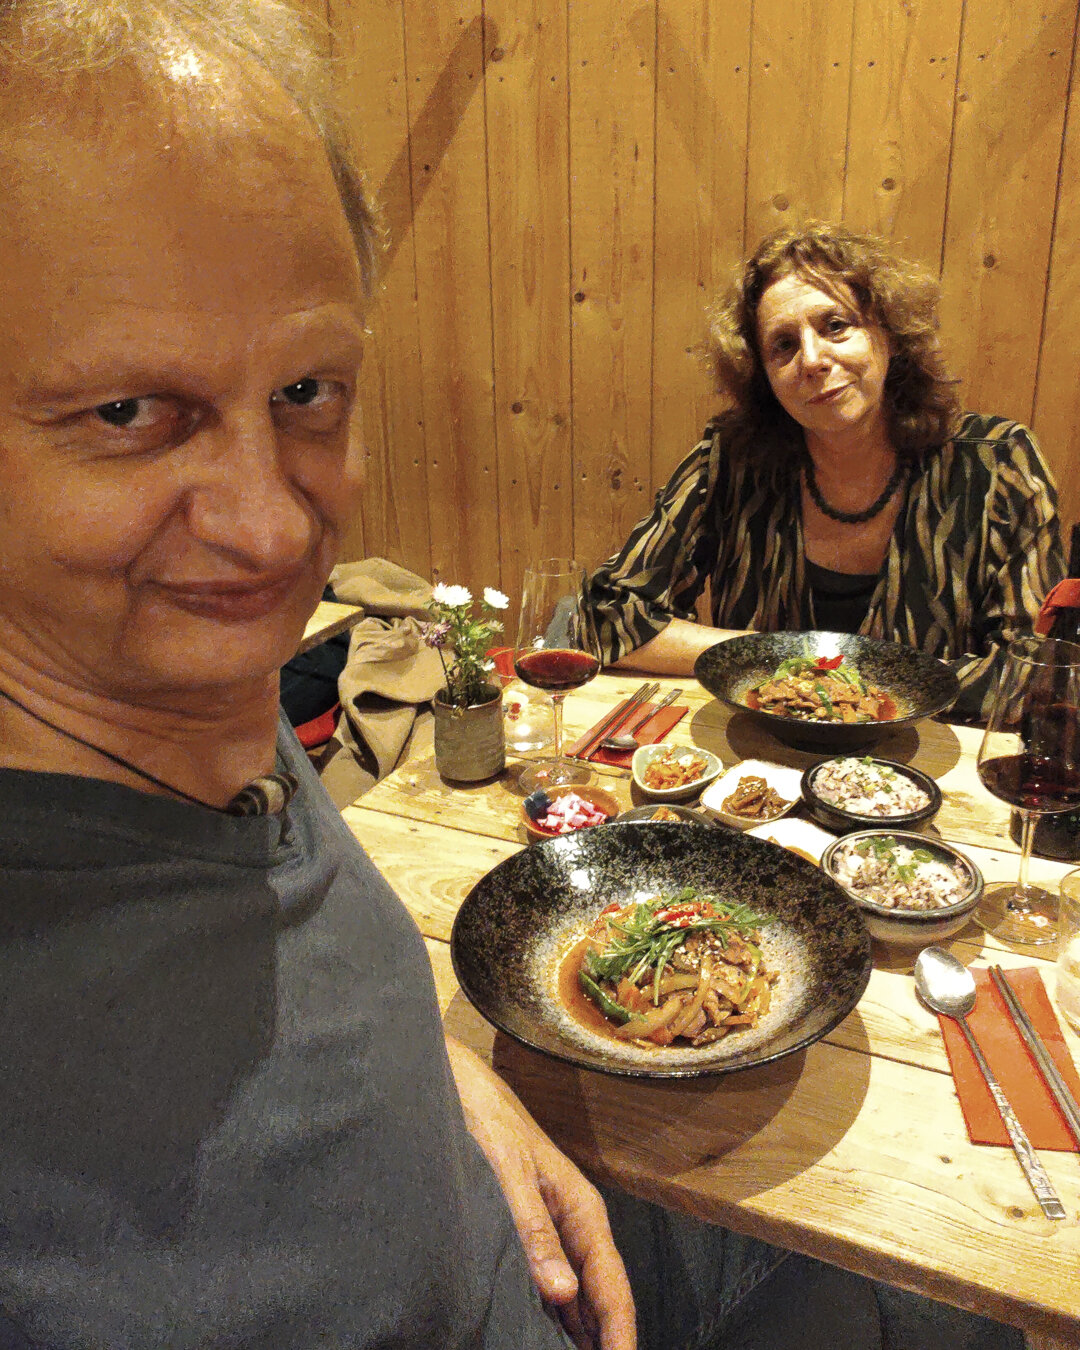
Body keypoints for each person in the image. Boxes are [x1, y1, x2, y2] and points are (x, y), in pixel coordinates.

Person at [0, 6, 1030, 1347]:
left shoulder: (215, 710)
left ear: (888, 332)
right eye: (126, 410)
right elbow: (599, 608)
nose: (270, 532)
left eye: (307, 388)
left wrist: (436, 1073)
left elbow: (1020, 675)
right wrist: (760, 660)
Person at [587, 222, 1065, 722]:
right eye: (783, 345)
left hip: (924, 762)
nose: (812, 360)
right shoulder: (731, 457)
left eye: (835, 326)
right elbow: (604, 616)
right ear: (764, 375)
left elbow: (1037, 671)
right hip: (760, 759)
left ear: (890, 334)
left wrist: (836, 684)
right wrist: (778, 657)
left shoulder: (998, 463)